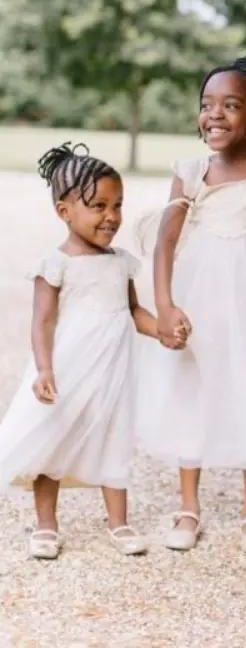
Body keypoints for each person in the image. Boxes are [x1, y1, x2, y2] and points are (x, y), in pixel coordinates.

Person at [135, 56, 246, 554]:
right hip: (197, 301)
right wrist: (166, 306)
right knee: (190, 387)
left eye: (230, 106)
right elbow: (165, 244)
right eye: (206, 104)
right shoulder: (190, 172)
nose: (214, 115)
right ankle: (187, 506)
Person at [0, 143, 175, 559]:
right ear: (65, 211)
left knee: (114, 435)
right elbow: (42, 321)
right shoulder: (55, 264)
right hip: (68, 366)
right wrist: (44, 369)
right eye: (98, 206)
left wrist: (163, 331)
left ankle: (119, 521)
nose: (111, 216)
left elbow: (135, 311)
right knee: (53, 434)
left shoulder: (120, 262)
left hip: (112, 369)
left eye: (117, 205)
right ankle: (46, 524)